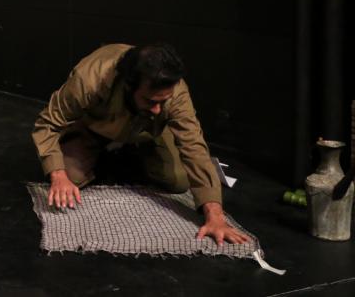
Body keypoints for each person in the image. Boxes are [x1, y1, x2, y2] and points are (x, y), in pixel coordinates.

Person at [32, 43, 249, 245]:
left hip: (146, 132)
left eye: (163, 102)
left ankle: (131, 152)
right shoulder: (90, 78)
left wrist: (215, 215)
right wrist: (58, 175)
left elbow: (194, 145)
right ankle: (104, 151)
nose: (158, 109)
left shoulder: (174, 90)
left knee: (179, 181)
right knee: (69, 180)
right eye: (150, 101)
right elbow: (47, 123)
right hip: (96, 127)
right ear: (128, 86)